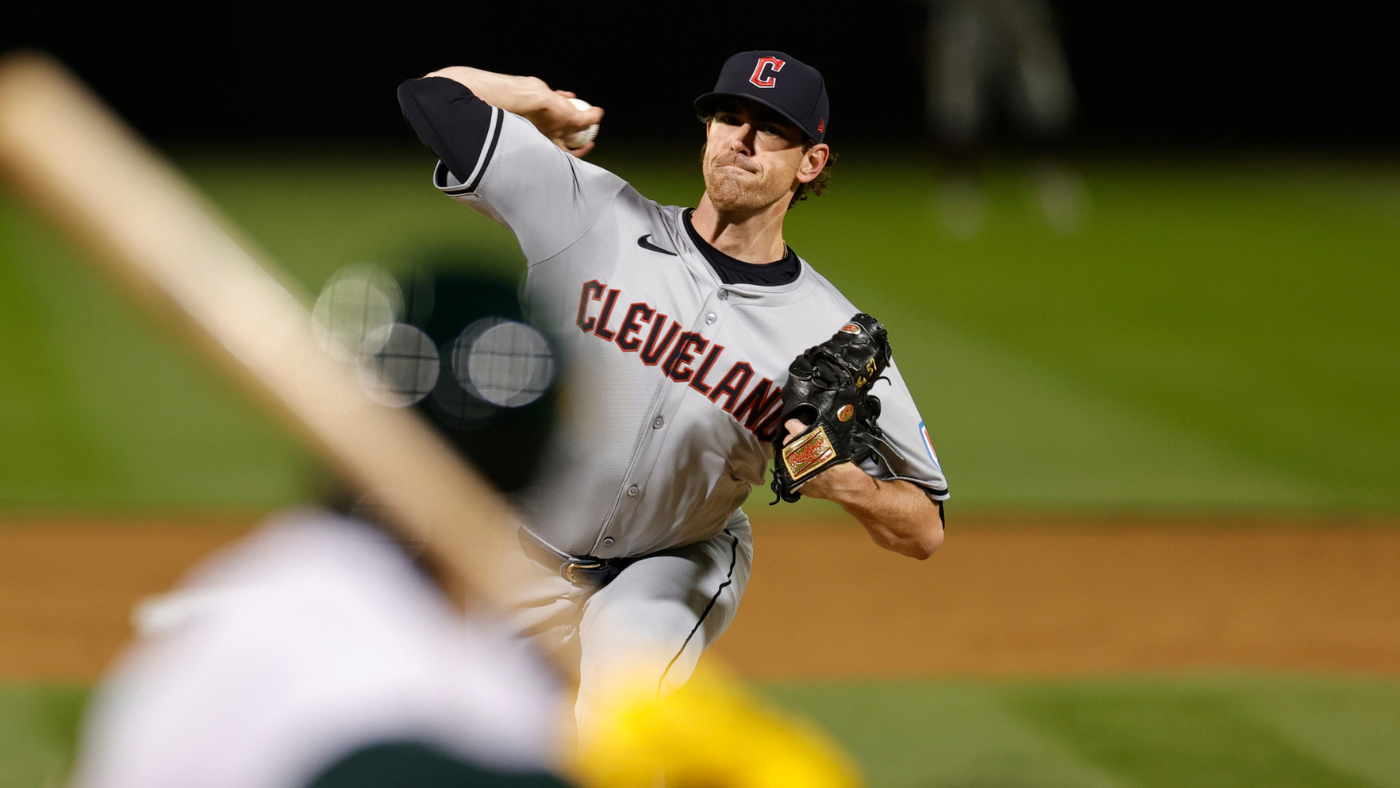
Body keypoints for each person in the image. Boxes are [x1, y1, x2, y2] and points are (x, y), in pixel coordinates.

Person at [397, 50, 949, 734]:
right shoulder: (590, 212)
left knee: (618, 713)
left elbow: (924, 528)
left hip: (669, 564)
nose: (741, 139)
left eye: (771, 128)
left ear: (810, 163)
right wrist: (538, 99)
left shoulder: (831, 333)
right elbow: (432, 96)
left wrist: (843, 483)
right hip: (518, 548)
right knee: (434, 724)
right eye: (728, 116)